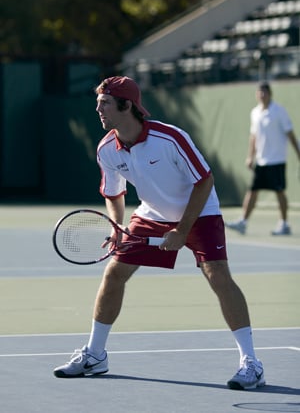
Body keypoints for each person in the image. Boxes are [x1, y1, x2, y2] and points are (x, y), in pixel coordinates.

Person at [53, 76, 265, 390]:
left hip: (199, 209)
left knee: (217, 274)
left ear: (126, 105)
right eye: (98, 104)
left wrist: (182, 229)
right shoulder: (106, 149)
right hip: (152, 212)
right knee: (114, 274)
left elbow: (204, 181)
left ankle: (251, 363)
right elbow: (114, 193)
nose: (98, 110)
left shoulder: (170, 138)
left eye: (104, 104)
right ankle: (95, 355)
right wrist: (118, 226)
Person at [226, 82, 300, 236]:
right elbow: (253, 137)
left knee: (279, 192)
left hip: (277, 160)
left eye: (264, 92)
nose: (261, 95)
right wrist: (250, 156)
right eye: (259, 93)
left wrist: (298, 153)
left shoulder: (279, 111)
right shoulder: (255, 113)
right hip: (261, 160)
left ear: (270, 94)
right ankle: (243, 222)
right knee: (252, 191)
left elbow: (290, 134)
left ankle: (284, 224)